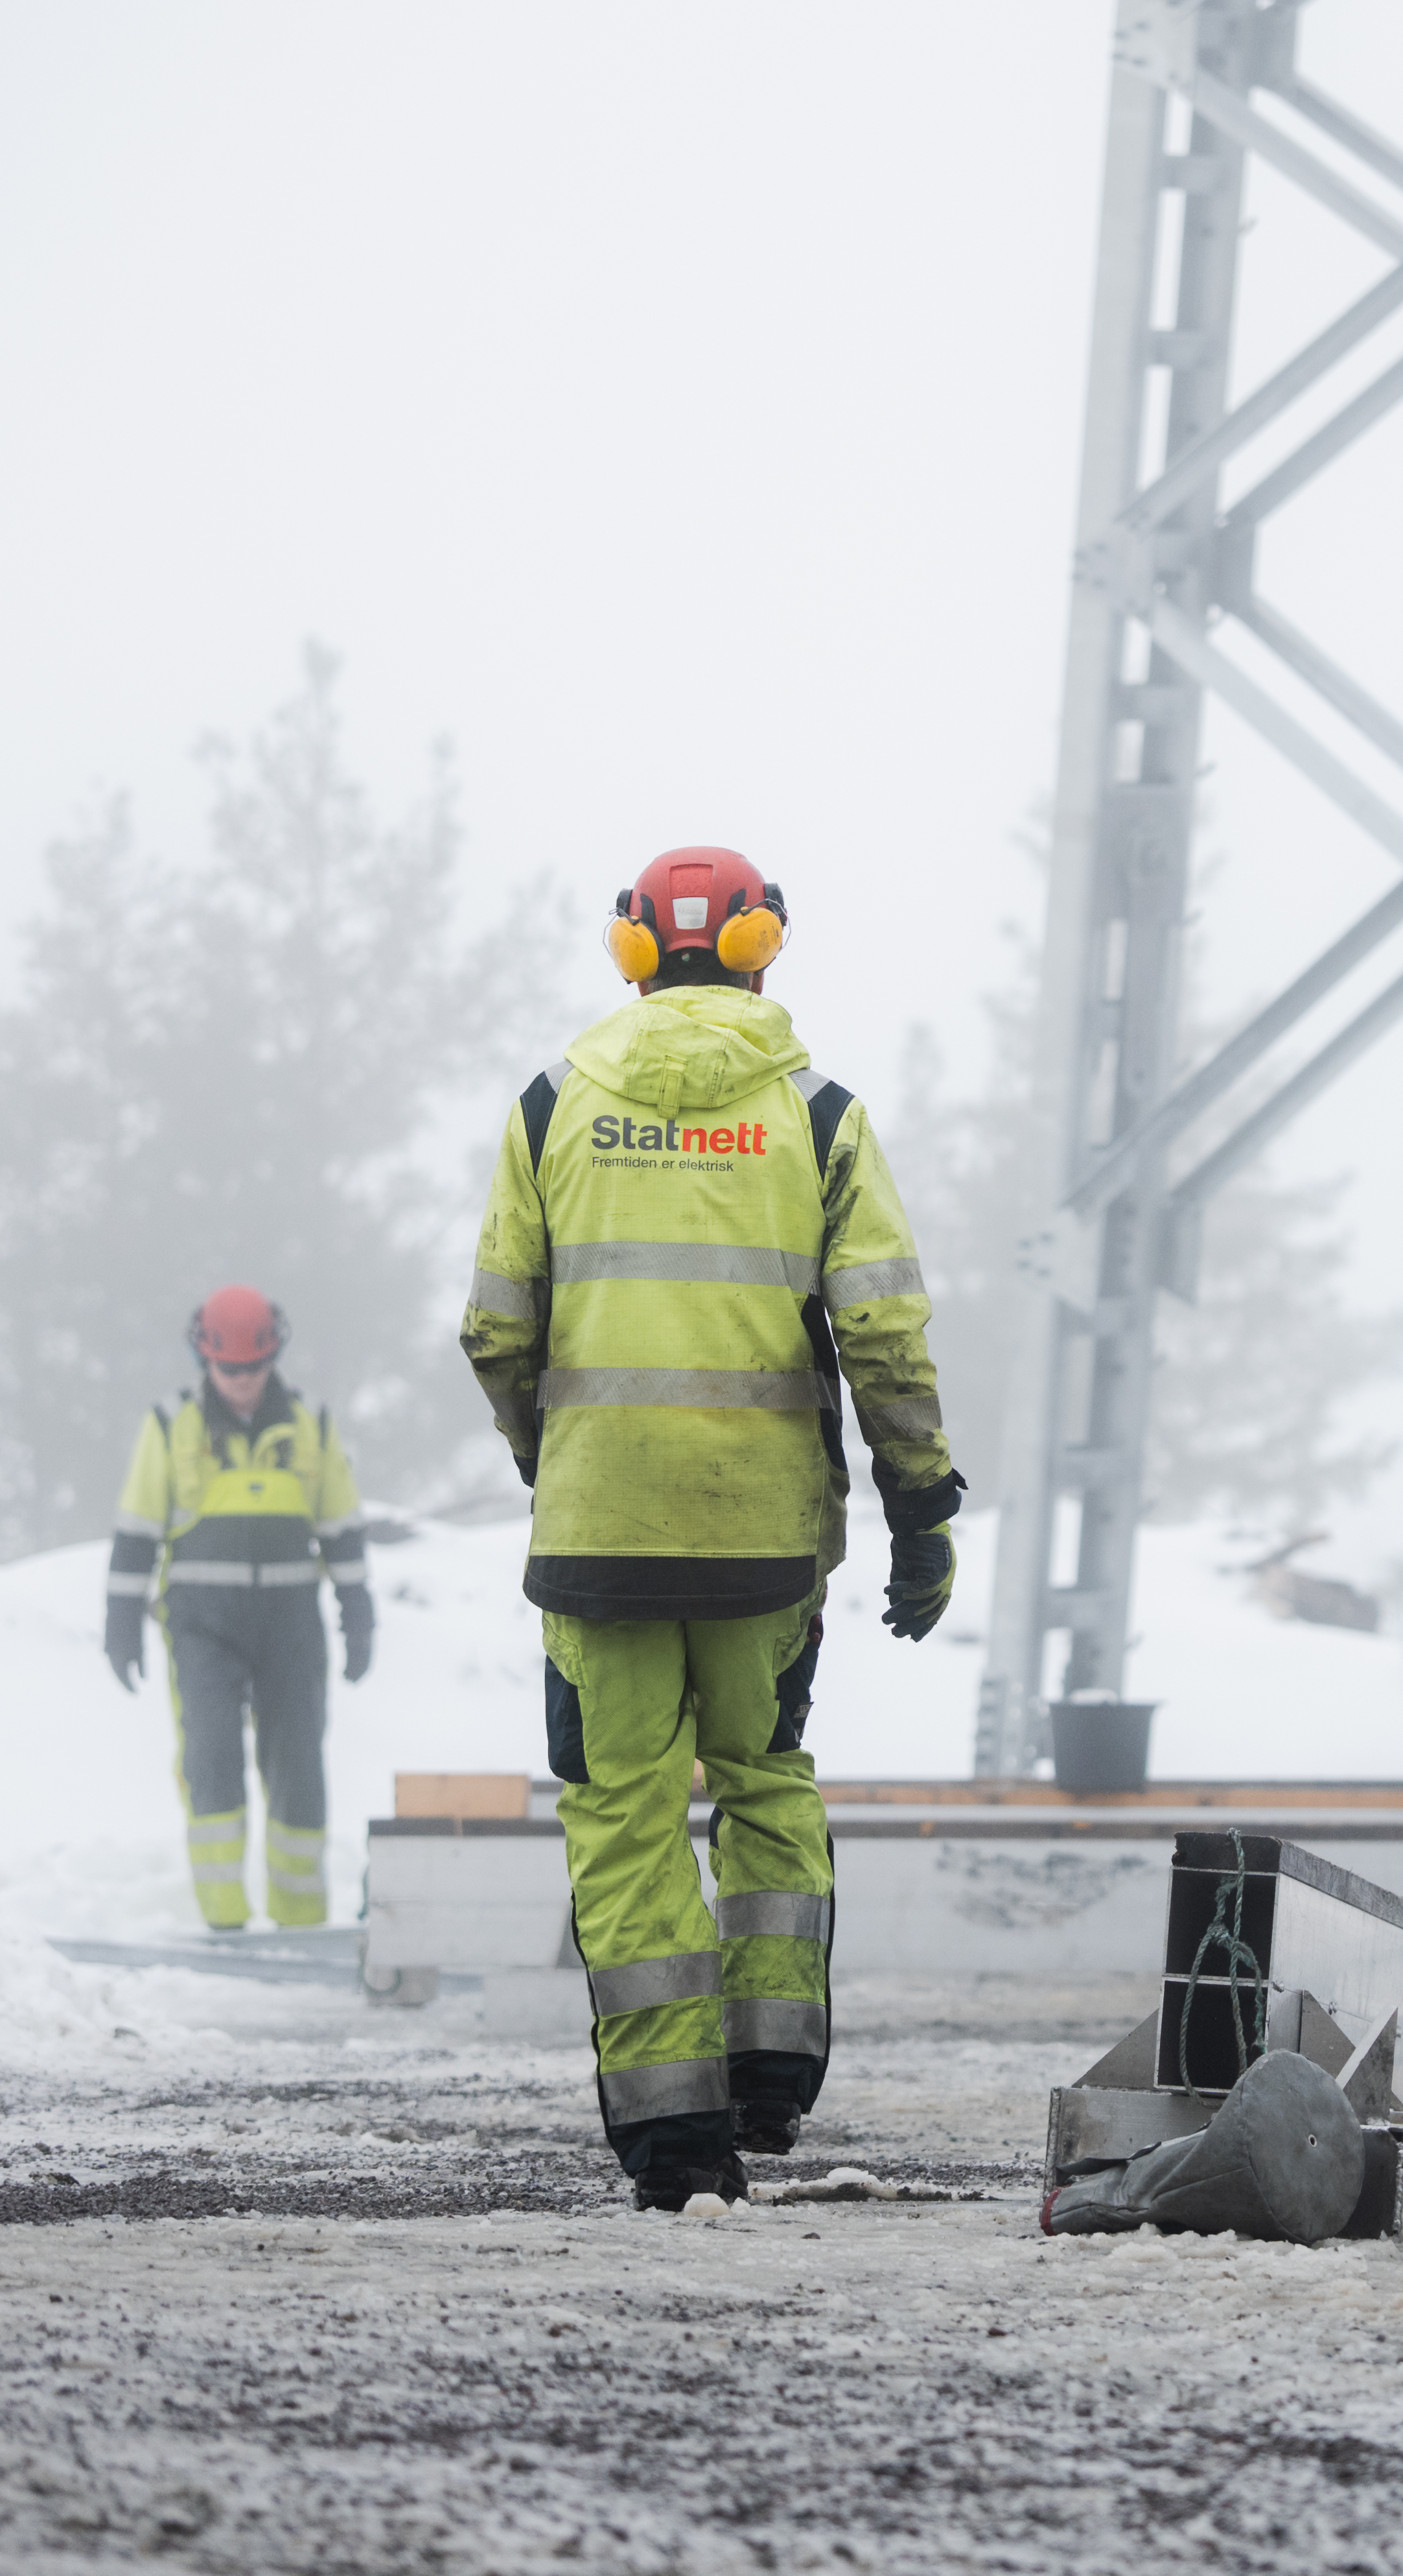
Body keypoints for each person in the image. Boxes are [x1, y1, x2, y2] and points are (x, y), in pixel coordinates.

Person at [459, 847, 960, 2212]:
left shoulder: (553, 1104)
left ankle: (677, 2138)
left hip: (599, 1523)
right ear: (760, 946)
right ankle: (767, 2072)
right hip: (762, 1539)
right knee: (762, 1775)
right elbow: (884, 1332)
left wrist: (548, 1455)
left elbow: (498, 1325)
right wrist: (920, 1511)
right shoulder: (822, 1116)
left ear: (634, 950)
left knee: (622, 1814)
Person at [103, 1285, 375, 1929]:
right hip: (202, 1628)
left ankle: (301, 1920)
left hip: (292, 1627)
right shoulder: (171, 1426)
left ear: (273, 1356)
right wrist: (121, 1624)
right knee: (212, 1761)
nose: (243, 1381)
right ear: (206, 1360)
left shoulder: (312, 1424)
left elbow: (342, 1528)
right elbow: (136, 1531)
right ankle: (223, 1919)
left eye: (254, 1368)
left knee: (300, 1770)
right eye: (230, 1369)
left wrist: (358, 1614)